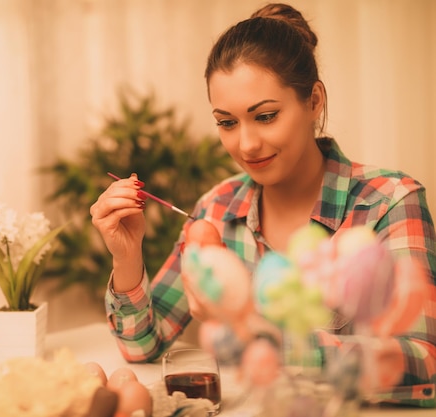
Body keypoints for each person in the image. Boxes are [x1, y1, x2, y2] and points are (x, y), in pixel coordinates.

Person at [89, 2, 436, 408]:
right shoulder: (216, 210)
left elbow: (425, 360)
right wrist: (127, 261)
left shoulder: (388, 202)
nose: (246, 144)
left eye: (266, 116)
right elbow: (142, 349)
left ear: (314, 101)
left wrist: (260, 336)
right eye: (227, 122)